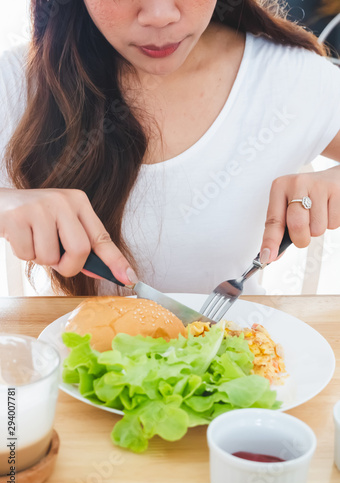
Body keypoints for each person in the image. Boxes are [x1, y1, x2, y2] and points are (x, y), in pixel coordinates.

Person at [0, 0, 339, 297]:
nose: (160, 15)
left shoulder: (288, 77)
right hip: (67, 358)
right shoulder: (16, 80)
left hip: (236, 354)